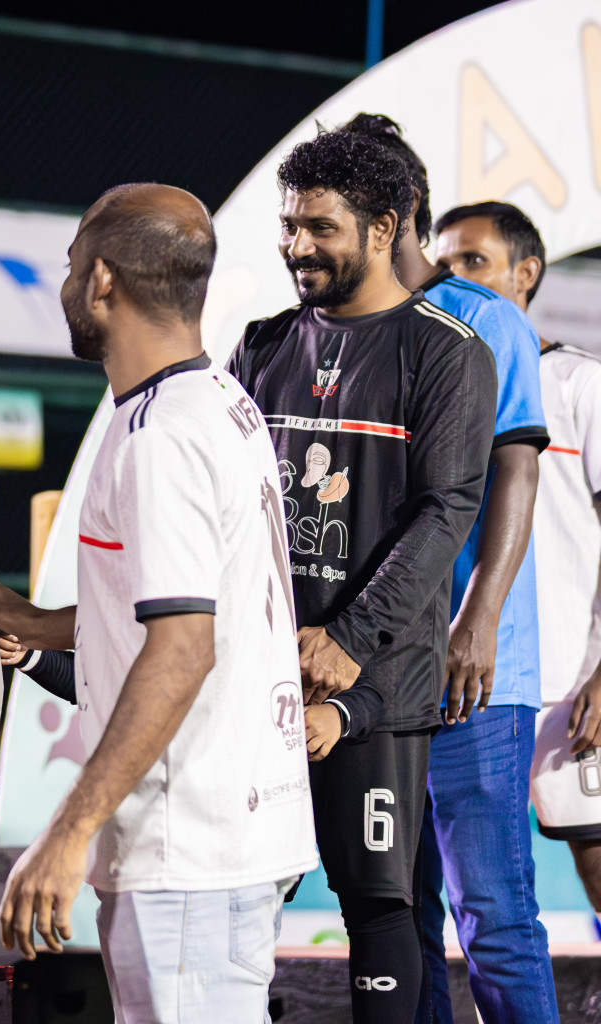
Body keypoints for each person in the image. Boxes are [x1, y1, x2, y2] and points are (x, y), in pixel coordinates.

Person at [0, 183, 317, 1022]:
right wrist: (35, 622)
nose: (68, 281)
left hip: (189, 848)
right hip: (222, 835)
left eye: (73, 263)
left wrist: (71, 827)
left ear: (104, 280)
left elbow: (184, 648)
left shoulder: (163, 438)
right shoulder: (218, 404)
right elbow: (187, 606)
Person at [224, 124, 499, 1023]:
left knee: (379, 904)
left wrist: (349, 636)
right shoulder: (261, 347)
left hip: (374, 683)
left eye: (320, 228)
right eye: (290, 226)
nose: (297, 245)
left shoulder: (449, 352)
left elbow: (446, 509)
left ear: (384, 227)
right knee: (238, 893)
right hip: (259, 679)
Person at [340, 116, 559, 1024]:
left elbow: (517, 465)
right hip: (382, 670)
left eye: (335, 216)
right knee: (402, 915)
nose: (313, 238)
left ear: (393, 218)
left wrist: (477, 617)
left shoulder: (485, 319)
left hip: (477, 673)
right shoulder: (340, 330)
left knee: (494, 915)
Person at [434, 201, 601, 917]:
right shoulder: (436, 387)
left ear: (526, 272)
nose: (453, 280)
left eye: (473, 261)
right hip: (473, 687)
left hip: (571, 693)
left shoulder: (580, 386)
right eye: (442, 265)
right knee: (481, 904)